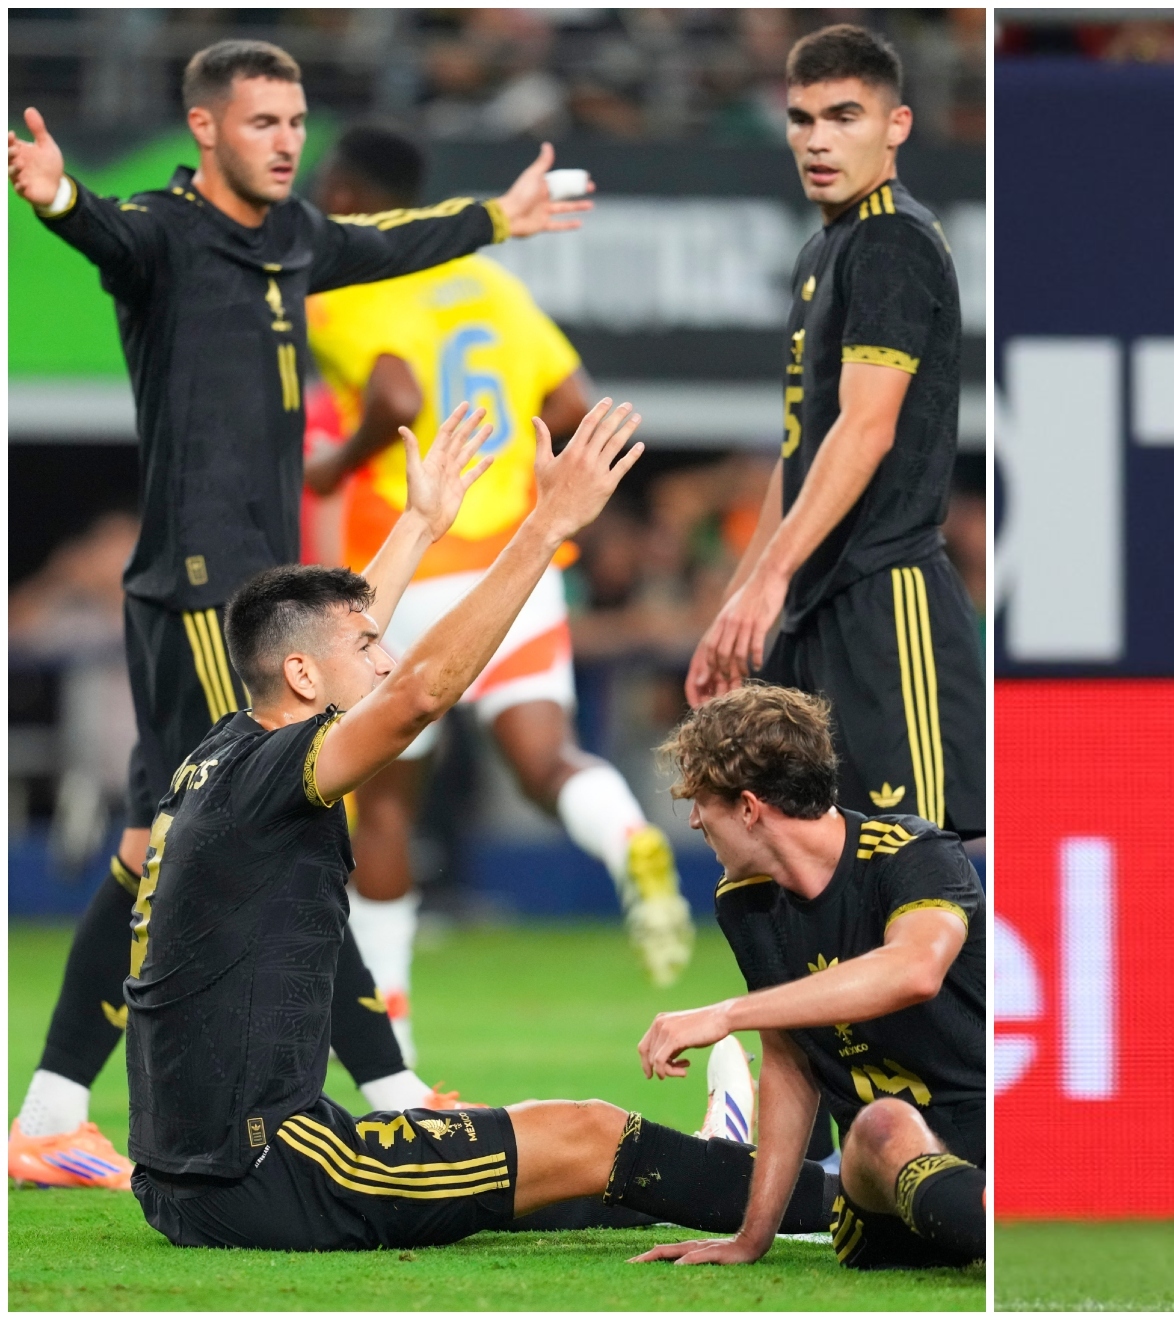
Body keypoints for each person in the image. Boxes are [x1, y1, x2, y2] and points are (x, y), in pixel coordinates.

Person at [5, 37, 590, 1188]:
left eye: (295, 121)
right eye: (262, 121)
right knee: (291, 829)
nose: (286, 142)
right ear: (206, 129)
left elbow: (382, 242)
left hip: (251, 592)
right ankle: (394, 1091)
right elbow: (99, 230)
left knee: (152, 850)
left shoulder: (293, 243)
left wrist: (494, 221)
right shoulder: (166, 236)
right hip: (195, 591)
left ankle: (49, 1113)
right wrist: (60, 195)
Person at [125, 400, 838, 1252]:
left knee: (545, 1161)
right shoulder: (282, 770)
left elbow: (341, 645)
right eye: (370, 647)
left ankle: (719, 1164)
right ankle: (829, 1198)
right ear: (305, 675)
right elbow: (419, 693)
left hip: (180, 1178)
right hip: (271, 1169)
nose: (385, 656)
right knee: (588, 1130)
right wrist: (546, 526)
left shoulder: (229, 751)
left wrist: (420, 527)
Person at [303, 126, 693, 1060]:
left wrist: (337, 467)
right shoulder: (493, 284)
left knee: (387, 802)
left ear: (351, 195)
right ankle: (630, 835)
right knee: (546, 757)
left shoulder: (347, 287)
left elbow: (395, 396)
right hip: (517, 568)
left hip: (409, 568)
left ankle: (389, 1032)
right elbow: (570, 406)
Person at [686, 24, 984, 844]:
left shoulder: (891, 238)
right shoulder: (826, 248)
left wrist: (769, 581)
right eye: (802, 118)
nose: (817, 140)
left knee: (921, 861)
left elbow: (867, 427)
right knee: (799, 855)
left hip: (888, 598)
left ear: (897, 127)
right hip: (817, 605)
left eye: (844, 116)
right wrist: (739, 598)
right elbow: (802, 456)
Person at [629, 683, 985, 1269]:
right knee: (881, 1123)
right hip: (878, 1186)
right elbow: (790, 1064)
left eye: (701, 802)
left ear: (748, 807)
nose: (693, 821)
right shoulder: (744, 903)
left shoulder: (914, 855)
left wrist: (725, 1015)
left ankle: (982, 1218)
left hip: (987, 1134)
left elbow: (914, 969)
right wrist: (752, 1237)